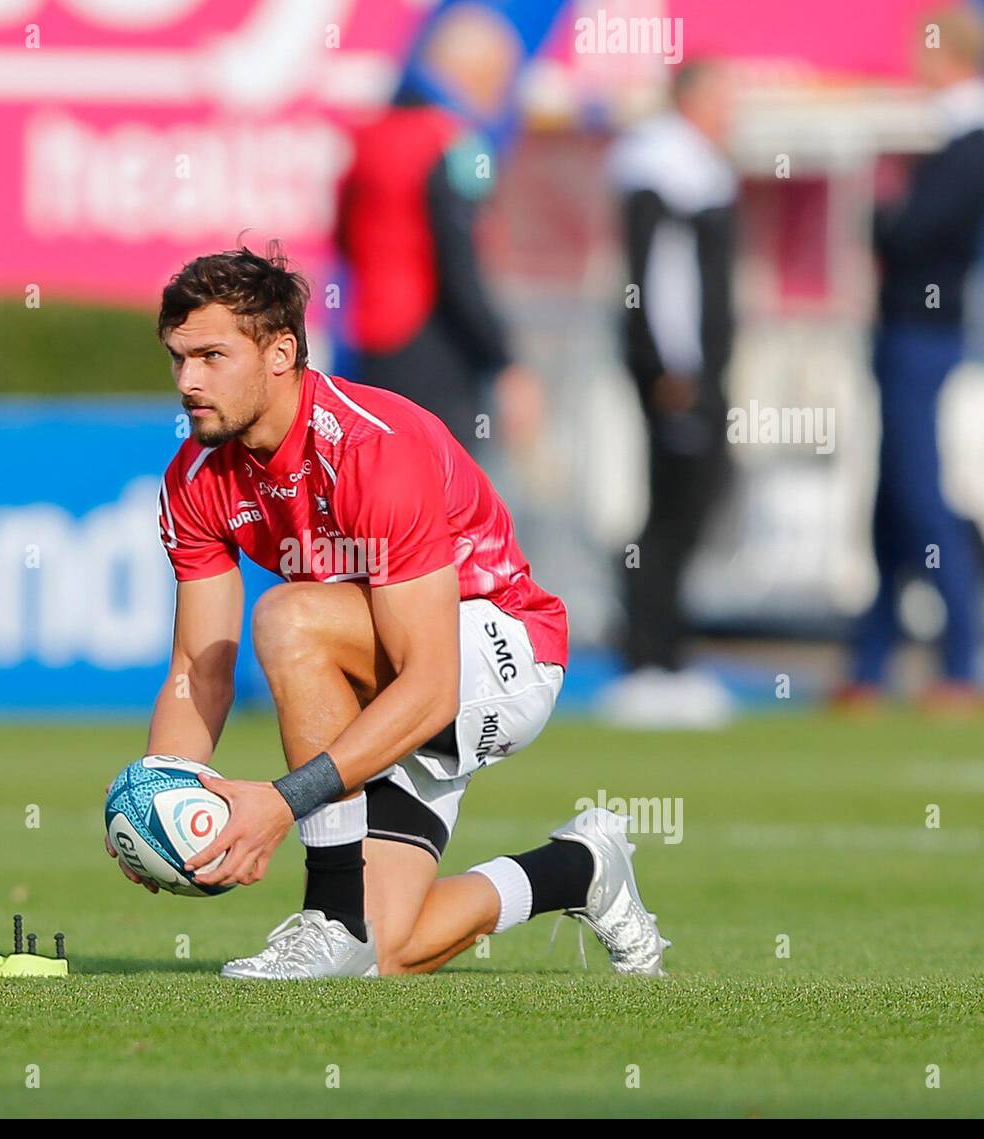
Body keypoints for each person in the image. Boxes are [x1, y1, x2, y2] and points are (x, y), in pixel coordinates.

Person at [105, 244, 669, 981]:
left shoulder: (374, 448)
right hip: (386, 684)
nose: (188, 381)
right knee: (388, 952)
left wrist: (281, 804)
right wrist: (160, 803)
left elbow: (431, 682)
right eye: (178, 358)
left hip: (496, 654)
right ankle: (580, 869)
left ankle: (331, 911)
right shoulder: (197, 478)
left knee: (290, 620)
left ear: (281, 353)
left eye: (211, 356)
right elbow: (196, 671)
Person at [841, 6, 984, 713]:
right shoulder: (949, 141)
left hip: (920, 336)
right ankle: (871, 662)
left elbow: (914, 238)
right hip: (910, 334)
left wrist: (882, 219)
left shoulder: (966, 143)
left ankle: (961, 660)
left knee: (920, 497)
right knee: (893, 501)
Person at [334, 2, 547, 455]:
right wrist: (503, 360)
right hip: (436, 349)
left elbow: (344, 239)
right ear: (476, 74)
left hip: (370, 343)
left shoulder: (370, 137)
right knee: (444, 500)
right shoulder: (456, 144)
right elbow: (459, 264)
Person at [599, 60, 740, 729]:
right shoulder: (666, 172)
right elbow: (662, 278)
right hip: (681, 373)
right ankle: (652, 656)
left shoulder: (690, 169)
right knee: (674, 506)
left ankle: (665, 651)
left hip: (692, 369)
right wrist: (677, 365)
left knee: (693, 503)